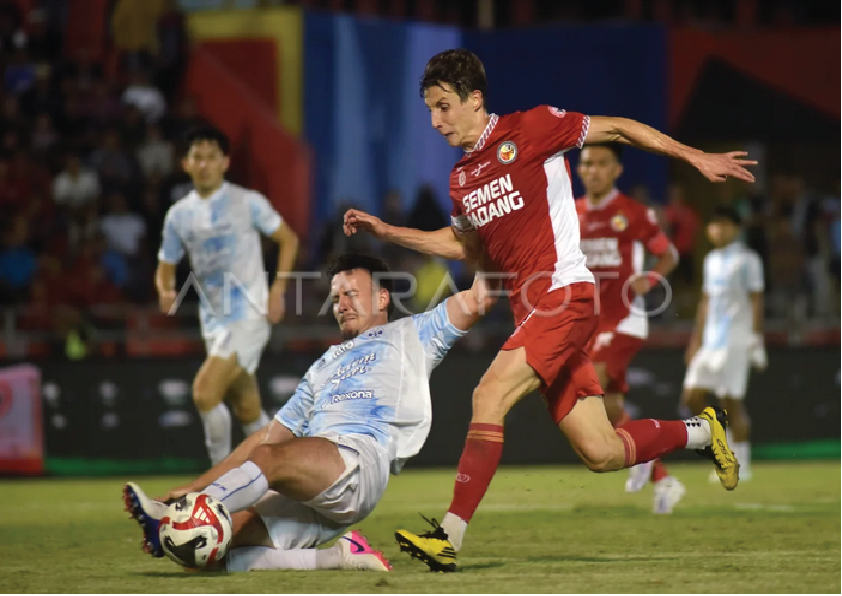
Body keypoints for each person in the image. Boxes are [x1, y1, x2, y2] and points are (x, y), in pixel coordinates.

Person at [343, 48, 755, 571]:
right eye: (429, 109)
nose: (436, 120)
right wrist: (389, 232)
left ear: (475, 99)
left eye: (444, 106)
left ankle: (448, 536)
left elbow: (622, 130)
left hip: (566, 296)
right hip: (536, 315)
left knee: (488, 392)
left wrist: (695, 157)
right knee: (601, 451)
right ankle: (703, 432)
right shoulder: (461, 179)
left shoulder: (533, 128)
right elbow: (466, 249)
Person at [124, 253, 498, 572]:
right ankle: (340, 557)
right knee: (212, 555)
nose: (342, 304)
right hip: (312, 478)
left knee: (261, 467)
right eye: (336, 297)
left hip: (358, 460)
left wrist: (490, 234)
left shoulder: (415, 333)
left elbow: (482, 294)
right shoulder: (323, 365)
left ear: (383, 297)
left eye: (351, 293)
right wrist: (197, 485)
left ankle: (174, 518)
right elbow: (268, 437)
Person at [156, 125, 299, 465]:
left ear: (225, 162)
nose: (204, 164)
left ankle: (219, 483)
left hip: (249, 315)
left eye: (211, 157)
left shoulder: (247, 202)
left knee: (204, 392)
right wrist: (165, 289)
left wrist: (277, 291)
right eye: (197, 158)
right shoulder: (178, 215)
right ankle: (281, 476)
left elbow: (288, 239)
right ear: (186, 164)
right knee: (247, 406)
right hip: (214, 322)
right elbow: (166, 262)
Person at [575, 142, 683, 512]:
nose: (593, 170)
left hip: (624, 321)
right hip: (589, 325)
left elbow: (668, 253)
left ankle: (654, 453)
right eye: (587, 164)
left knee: (592, 387)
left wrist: (649, 280)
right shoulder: (570, 214)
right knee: (610, 409)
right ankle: (660, 475)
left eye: (602, 164)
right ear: (578, 170)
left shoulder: (632, 213)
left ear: (617, 170)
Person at [682, 206, 766, 482]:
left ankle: (739, 462)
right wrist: (695, 341)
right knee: (692, 396)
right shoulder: (710, 260)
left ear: (736, 229)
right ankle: (723, 445)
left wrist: (755, 338)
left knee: (731, 402)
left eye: (724, 224)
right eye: (714, 224)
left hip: (736, 340)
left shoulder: (748, 260)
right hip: (711, 342)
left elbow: (756, 299)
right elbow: (706, 302)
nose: (717, 229)